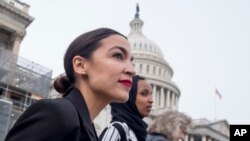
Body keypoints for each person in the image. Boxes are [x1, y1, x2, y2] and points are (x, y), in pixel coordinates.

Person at [5, 28, 136, 141]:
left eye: (131, 61)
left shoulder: (85, 128)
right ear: (80, 65)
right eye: (118, 56)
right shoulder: (56, 114)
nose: (132, 70)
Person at [99, 75, 153, 141]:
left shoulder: (141, 133)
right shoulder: (117, 129)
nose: (151, 100)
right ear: (130, 97)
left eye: (151, 94)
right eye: (144, 94)